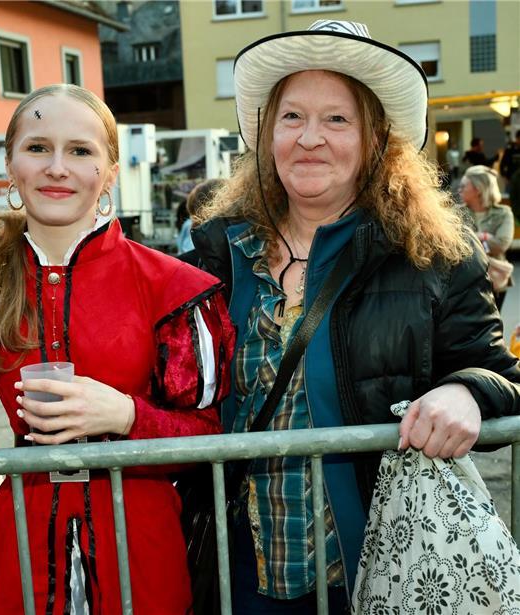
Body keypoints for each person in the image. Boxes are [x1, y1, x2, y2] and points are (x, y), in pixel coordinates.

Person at [191, 20, 520, 614]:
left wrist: (467, 391)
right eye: (291, 117)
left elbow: (499, 372)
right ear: (268, 134)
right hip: (235, 571)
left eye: (337, 119)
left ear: (375, 140)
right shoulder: (214, 255)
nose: (309, 137)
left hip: (373, 573)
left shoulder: (434, 257)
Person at [0, 83, 235, 614]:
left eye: (80, 151)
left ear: (109, 171)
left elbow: (214, 432)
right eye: (38, 148)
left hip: (140, 535)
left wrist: (127, 414)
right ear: (10, 163)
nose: (57, 167)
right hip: (22, 536)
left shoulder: (174, 288)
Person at [459, 165, 515, 309]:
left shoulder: (503, 213)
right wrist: (485, 237)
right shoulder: (457, 213)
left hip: (494, 280)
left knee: (492, 328)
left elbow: (501, 245)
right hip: (464, 282)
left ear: (478, 189)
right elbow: (456, 245)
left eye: (464, 186)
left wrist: (473, 238)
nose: (459, 189)